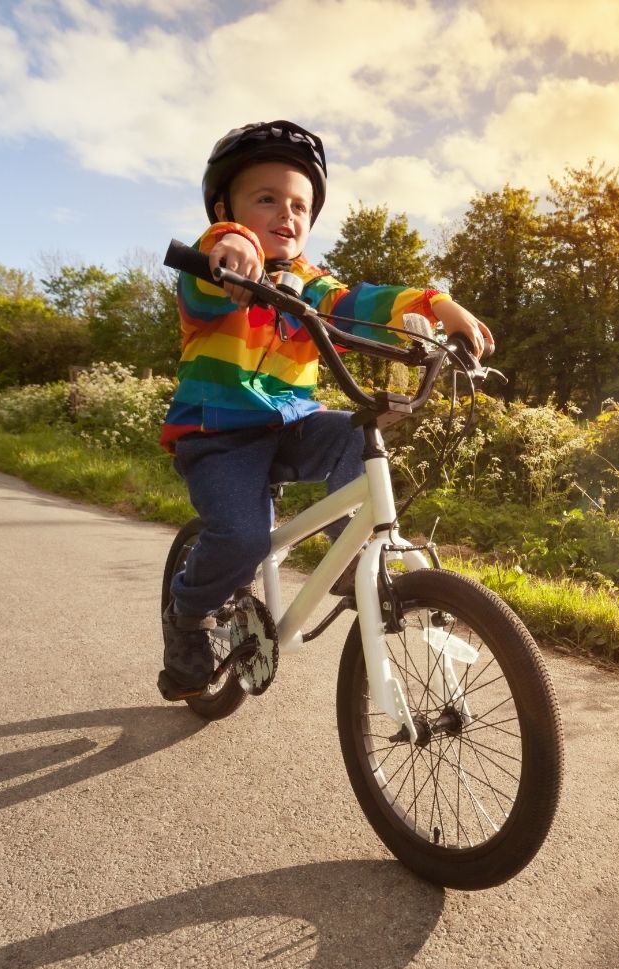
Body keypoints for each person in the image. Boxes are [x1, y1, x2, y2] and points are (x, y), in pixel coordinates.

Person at [158, 120, 491, 701]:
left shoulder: (313, 287)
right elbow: (221, 255)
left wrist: (438, 305)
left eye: (299, 206)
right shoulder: (216, 274)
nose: (285, 214)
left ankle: (350, 553)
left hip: (289, 425)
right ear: (222, 210)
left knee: (351, 433)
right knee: (242, 538)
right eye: (266, 200)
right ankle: (187, 613)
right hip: (219, 437)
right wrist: (231, 247)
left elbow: (360, 301)